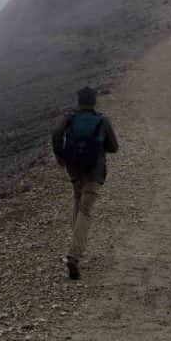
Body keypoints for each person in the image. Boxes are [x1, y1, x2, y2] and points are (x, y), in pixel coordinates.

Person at [50, 86, 119, 280]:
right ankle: (74, 255)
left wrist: (60, 155)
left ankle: (76, 246)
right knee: (86, 210)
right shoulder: (102, 120)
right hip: (94, 170)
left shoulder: (69, 118)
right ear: (94, 101)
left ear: (79, 101)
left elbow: (56, 132)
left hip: (74, 167)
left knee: (78, 202)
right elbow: (114, 148)